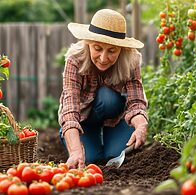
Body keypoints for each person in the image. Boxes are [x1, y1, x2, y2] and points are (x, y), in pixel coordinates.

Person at [58, 8, 148, 169]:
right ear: (88, 43)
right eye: (97, 48)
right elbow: (70, 109)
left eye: (112, 51)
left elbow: (136, 102)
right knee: (90, 158)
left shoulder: (130, 61)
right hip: (83, 119)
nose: (103, 58)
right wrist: (76, 151)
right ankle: (86, 139)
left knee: (114, 156)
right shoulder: (75, 60)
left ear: (121, 49)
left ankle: (110, 139)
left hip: (114, 117)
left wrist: (141, 126)